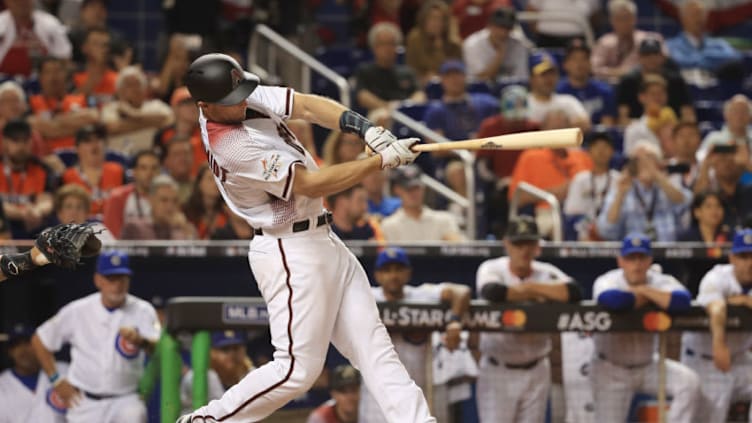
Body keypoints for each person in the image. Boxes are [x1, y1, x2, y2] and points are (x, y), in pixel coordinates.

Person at [178, 53, 432, 422]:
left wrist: (367, 129)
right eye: (230, 101)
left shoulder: (234, 95)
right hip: (288, 249)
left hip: (322, 240)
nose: (242, 102)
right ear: (205, 106)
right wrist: (379, 163)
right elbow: (310, 185)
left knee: (374, 349)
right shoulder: (231, 146)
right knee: (297, 370)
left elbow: (305, 105)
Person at [30, 250, 159, 423]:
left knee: (135, 414)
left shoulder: (143, 310)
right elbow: (40, 340)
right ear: (98, 280)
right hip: (85, 401)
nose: (117, 285)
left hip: (125, 399)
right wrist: (56, 380)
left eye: (122, 278)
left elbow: (158, 347)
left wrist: (140, 341)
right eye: (111, 278)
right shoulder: (78, 310)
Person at [475, 216, 581, 423]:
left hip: (537, 369)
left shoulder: (546, 272)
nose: (524, 250)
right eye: (518, 244)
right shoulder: (492, 268)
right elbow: (494, 292)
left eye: (529, 243)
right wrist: (543, 295)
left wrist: (529, 288)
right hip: (499, 370)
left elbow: (574, 291)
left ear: (537, 246)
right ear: (507, 244)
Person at [591, 234, 699, 423]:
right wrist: (655, 298)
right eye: (631, 258)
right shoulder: (607, 280)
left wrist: (644, 291)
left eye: (641, 258)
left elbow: (683, 302)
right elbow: (615, 301)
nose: (637, 264)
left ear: (650, 260)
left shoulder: (658, 280)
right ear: (620, 261)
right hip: (612, 369)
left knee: (689, 383)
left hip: (648, 365)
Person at [359, 247, 472, 423]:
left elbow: (461, 292)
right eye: (387, 270)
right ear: (377, 275)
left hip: (416, 391)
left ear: (408, 273)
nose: (393, 275)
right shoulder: (366, 297)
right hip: (376, 397)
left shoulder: (422, 295)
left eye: (398, 269)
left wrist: (454, 321)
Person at [680, 229, 752, 423]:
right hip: (706, 360)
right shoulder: (716, 278)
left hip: (741, 360)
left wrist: (745, 301)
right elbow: (717, 308)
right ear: (732, 258)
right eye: (743, 256)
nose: (749, 263)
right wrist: (719, 344)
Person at [508, 110, 592, 238]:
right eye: (554, 129)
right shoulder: (531, 156)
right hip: (547, 212)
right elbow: (515, 198)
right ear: (543, 130)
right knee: (556, 225)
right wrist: (554, 193)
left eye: (564, 129)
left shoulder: (582, 157)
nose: (559, 134)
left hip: (583, 212)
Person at [597, 141, 691, 242]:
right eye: (638, 160)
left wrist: (656, 175)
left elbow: (685, 202)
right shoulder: (622, 188)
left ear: (659, 163)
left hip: (667, 253)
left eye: (649, 159)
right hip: (635, 253)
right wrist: (620, 195)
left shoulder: (668, 186)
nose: (644, 163)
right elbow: (606, 230)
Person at [616, 38, 695, 125]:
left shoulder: (676, 81)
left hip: (671, 129)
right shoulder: (628, 82)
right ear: (639, 57)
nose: (651, 58)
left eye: (655, 54)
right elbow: (622, 119)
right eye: (647, 55)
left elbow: (688, 117)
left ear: (662, 57)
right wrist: (648, 126)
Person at [28, 58, 99, 152]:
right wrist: (76, 125)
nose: (53, 76)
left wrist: (52, 125)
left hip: (81, 155)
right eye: (48, 72)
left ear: (66, 74)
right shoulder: (31, 102)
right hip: (48, 157)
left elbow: (94, 117)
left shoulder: (80, 99)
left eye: (57, 71)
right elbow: (31, 125)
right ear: (40, 77)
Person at [0, 119, 56, 239]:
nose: (21, 146)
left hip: (33, 226)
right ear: (4, 142)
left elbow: (47, 201)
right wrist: (21, 213)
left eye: (25, 141)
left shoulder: (43, 169)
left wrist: (37, 211)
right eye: (15, 141)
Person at [0, 323, 66, 423]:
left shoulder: (64, 371)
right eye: (16, 345)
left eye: (28, 342)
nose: (23, 350)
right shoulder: (2, 386)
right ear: (10, 352)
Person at [100, 66, 174, 155]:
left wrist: (133, 114)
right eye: (129, 85)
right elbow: (112, 128)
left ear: (144, 90)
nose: (134, 89)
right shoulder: (111, 108)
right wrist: (152, 122)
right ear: (119, 91)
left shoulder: (156, 105)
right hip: (118, 157)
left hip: (149, 158)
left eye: (137, 84)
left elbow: (168, 120)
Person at [381, 164, 465, 242]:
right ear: (397, 190)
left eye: (416, 188)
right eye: (408, 189)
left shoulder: (444, 220)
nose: (413, 193)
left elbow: (459, 249)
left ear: (423, 188)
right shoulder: (389, 225)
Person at [354, 22, 425, 113]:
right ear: (374, 47)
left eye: (392, 44)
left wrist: (407, 106)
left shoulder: (407, 72)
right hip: (378, 112)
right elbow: (362, 96)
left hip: (405, 111)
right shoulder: (365, 71)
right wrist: (388, 107)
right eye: (383, 44)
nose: (388, 48)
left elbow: (419, 93)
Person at [61, 124, 126, 220]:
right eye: (88, 141)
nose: (94, 145)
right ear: (77, 148)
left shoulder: (118, 171)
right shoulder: (67, 177)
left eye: (98, 140)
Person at [180, 331, 254, 415]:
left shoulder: (253, 374)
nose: (232, 354)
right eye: (225, 349)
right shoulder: (196, 377)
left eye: (236, 348)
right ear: (212, 352)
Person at [423, 60, 499, 141]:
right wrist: (471, 143)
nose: (454, 79)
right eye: (448, 75)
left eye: (458, 74)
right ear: (442, 80)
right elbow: (437, 149)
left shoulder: (486, 102)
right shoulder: (435, 110)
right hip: (456, 153)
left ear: (465, 76)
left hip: (486, 150)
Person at [591, 0, 665, 83]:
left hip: (643, 84)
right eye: (619, 19)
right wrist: (620, 72)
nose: (624, 23)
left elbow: (664, 62)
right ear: (612, 20)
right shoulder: (604, 42)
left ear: (634, 18)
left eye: (627, 18)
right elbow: (594, 69)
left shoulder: (650, 39)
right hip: (610, 87)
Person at [564, 132, 619, 241]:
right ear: (589, 152)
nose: (601, 151)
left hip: (612, 229)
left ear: (612, 152)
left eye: (605, 147)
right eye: (597, 147)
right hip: (585, 232)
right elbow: (572, 212)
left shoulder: (619, 179)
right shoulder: (580, 179)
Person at [666, 0, 742, 75]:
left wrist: (693, 59)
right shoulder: (670, 46)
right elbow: (676, 62)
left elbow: (736, 59)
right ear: (683, 18)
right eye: (694, 14)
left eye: (701, 14)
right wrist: (713, 60)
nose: (698, 18)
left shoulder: (719, 45)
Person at [0, 0, 72, 78]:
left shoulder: (51, 23)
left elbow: (64, 58)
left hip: (42, 81)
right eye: (16, 1)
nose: (21, 3)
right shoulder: (1, 23)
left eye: (25, 1)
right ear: (6, 2)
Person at [556, 38, 616, 126]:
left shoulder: (604, 91)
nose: (579, 63)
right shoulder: (558, 91)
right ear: (565, 64)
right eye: (574, 59)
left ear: (590, 63)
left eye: (584, 58)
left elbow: (608, 124)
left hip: (596, 137)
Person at [526, 52, 590, 132]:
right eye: (543, 74)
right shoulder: (524, 103)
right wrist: (544, 126)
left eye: (552, 74)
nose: (549, 79)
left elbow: (586, 124)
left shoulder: (568, 101)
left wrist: (562, 125)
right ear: (532, 78)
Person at [102, 150, 161, 238]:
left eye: (154, 168)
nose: (149, 173)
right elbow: (112, 236)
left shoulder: (167, 198)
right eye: (143, 168)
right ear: (134, 172)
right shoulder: (118, 197)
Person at [120, 174, 197, 240]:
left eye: (175, 201)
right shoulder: (134, 228)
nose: (170, 206)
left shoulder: (185, 229)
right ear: (151, 200)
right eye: (164, 200)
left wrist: (186, 231)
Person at [462, 7, 529, 82]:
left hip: (510, 88)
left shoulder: (519, 44)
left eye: (507, 28)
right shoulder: (473, 44)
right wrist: (500, 54)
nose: (503, 33)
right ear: (489, 26)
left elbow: (521, 78)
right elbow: (482, 78)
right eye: (500, 27)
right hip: (479, 89)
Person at [405, 1, 462, 85]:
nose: (436, 23)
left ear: (446, 22)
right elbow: (411, 69)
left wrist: (439, 50)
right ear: (424, 20)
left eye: (440, 19)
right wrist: (423, 78)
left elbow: (457, 70)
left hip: (448, 86)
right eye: (432, 18)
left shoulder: (454, 43)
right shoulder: (414, 39)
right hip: (420, 84)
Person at [623, 74, 677, 157]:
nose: (657, 97)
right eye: (653, 94)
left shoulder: (676, 125)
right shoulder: (633, 129)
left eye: (661, 93)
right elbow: (630, 159)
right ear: (641, 97)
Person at [697, 94, 752, 163]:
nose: (739, 116)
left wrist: (746, 162)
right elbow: (699, 162)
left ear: (750, 117)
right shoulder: (713, 138)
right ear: (726, 115)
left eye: (743, 112)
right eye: (735, 111)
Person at [73, 27, 118, 105]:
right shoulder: (74, 76)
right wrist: (95, 75)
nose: (103, 49)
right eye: (96, 44)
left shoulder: (117, 78)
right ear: (85, 48)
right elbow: (69, 104)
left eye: (105, 45)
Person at [183, 165, 228, 239]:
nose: (216, 183)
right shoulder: (187, 211)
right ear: (199, 183)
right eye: (210, 179)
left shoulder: (228, 211)